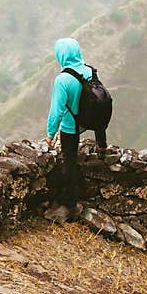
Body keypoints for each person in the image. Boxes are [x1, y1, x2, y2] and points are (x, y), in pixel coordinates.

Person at [44, 37, 107, 219]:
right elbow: (99, 100)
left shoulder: (63, 80)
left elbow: (56, 111)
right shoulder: (90, 71)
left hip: (71, 125)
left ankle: (69, 202)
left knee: (69, 162)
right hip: (91, 119)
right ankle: (102, 146)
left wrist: (50, 133)